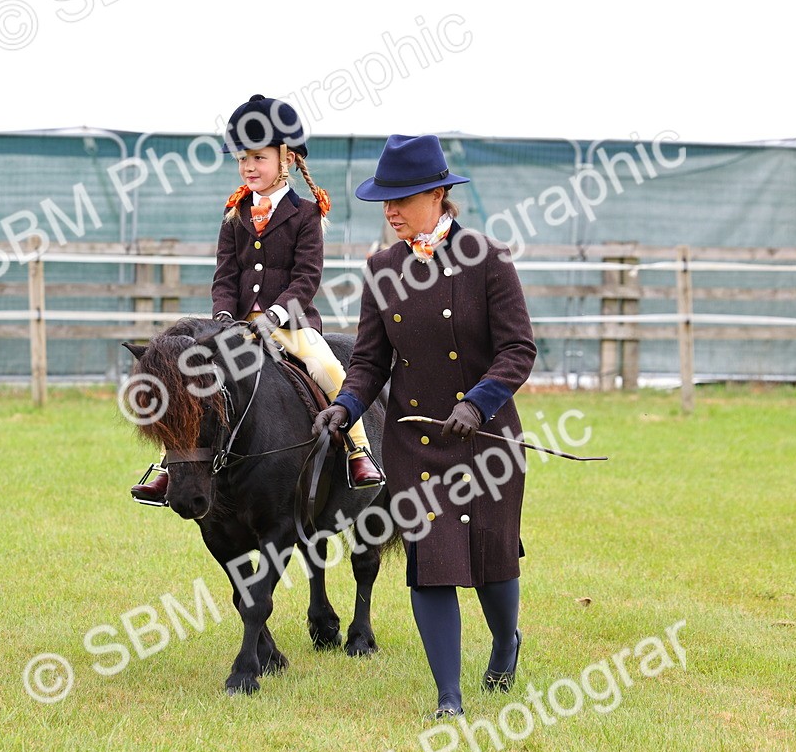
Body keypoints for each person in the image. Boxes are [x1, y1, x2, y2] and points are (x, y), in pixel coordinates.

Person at [313, 134, 537, 718]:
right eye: (383, 200)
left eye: (402, 197)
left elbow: (519, 349)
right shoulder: (381, 269)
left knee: (491, 562)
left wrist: (479, 403)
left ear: (438, 194)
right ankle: (449, 699)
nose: (390, 210)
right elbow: (369, 362)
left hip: (486, 442)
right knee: (431, 566)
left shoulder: (488, 258)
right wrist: (346, 406)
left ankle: (506, 642)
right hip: (415, 447)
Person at [131, 95, 384, 505]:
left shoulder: (305, 215)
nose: (249, 167)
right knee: (188, 384)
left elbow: (307, 278)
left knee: (329, 367)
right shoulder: (234, 214)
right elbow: (225, 275)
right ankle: (166, 466)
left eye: (258, 158)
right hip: (234, 329)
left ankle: (359, 450)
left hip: (290, 325)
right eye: (242, 160)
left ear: (285, 159)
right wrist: (223, 319)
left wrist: (275, 314)